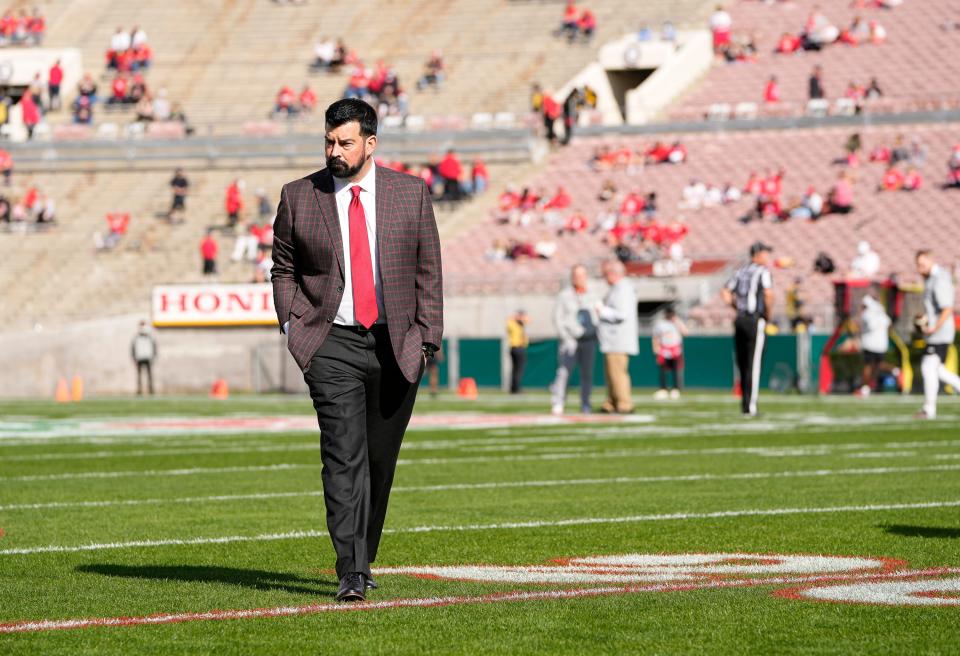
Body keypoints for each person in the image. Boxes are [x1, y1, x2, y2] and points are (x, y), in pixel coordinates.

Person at [271, 98, 442, 602]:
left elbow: (429, 270)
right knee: (343, 456)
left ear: (370, 143)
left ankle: (363, 557)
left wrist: (427, 338)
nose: (334, 150)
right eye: (328, 140)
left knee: (379, 463)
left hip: (397, 345)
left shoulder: (410, 194)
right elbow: (283, 267)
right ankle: (351, 571)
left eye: (344, 142)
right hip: (330, 343)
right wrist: (292, 325)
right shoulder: (300, 195)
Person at [722, 242, 774, 417]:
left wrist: (737, 307)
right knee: (753, 364)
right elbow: (768, 294)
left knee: (743, 363)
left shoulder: (740, 271)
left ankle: (745, 404)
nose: (767, 257)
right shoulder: (762, 272)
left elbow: (725, 291)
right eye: (766, 253)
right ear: (757, 254)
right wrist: (768, 314)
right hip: (754, 319)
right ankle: (750, 406)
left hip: (740, 319)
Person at [914, 250, 960, 419]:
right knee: (937, 370)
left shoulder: (939, 278)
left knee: (928, 367)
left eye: (922, 264)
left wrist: (934, 327)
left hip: (940, 333)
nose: (919, 269)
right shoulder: (931, 279)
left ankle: (929, 409)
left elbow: (947, 308)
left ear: (931, 261)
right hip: (935, 333)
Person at [550, 264, 598, 415]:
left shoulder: (593, 295)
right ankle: (558, 402)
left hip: (588, 340)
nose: (579, 278)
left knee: (587, 373)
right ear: (572, 277)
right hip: (570, 339)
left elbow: (598, 316)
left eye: (582, 275)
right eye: (576, 275)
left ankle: (585, 403)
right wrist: (565, 337)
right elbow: (558, 318)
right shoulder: (564, 295)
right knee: (564, 373)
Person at [595, 260, 638, 413]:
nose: (604, 277)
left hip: (618, 339)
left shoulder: (623, 289)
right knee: (612, 373)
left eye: (606, 273)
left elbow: (622, 314)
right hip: (613, 340)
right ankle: (612, 401)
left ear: (613, 273)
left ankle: (623, 402)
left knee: (618, 373)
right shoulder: (618, 288)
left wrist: (602, 310)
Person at [858, 295, 890, 397]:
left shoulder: (867, 313)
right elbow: (888, 323)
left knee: (868, 366)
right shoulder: (881, 311)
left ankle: (865, 388)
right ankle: (895, 371)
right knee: (877, 366)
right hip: (882, 344)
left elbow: (871, 325)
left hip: (870, 343)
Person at [653, 307, 687, 399]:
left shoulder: (677, 322)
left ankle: (676, 389)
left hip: (675, 350)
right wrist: (656, 348)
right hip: (664, 350)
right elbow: (656, 336)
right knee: (663, 371)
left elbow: (685, 332)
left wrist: (677, 321)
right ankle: (663, 389)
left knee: (676, 370)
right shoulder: (660, 324)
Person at [130, 320, 157, 395]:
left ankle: (151, 390)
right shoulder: (136, 337)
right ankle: (139, 390)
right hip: (139, 357)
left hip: (148, 357)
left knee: (149, 375)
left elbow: (154, 347)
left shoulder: (150, 337)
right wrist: (134, 357)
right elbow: (133, 348)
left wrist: (153, 356)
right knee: (139, 376)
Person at [506, 310, 529, 394]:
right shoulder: (513, 324)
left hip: (520, 347)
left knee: (517, 370)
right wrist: (516, 317)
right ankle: (515, 388)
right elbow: (508, 321)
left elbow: (528, 320)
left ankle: (515, 387)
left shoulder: (521, 324)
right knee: (517, 370)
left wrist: (521, 318)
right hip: (516, 347)